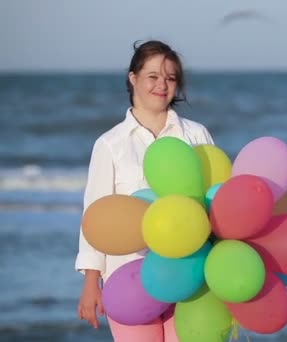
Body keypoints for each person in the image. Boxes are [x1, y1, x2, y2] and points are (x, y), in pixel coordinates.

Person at [75, 40, 214, 342]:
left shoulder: (196, 134)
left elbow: (215, 200)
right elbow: (95, 214)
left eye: (170, 77)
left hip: (188, 273)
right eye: (153, 76)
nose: (162, 84)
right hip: (129, 278)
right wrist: (90, 283)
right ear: (133, 78)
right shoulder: (110, 144)